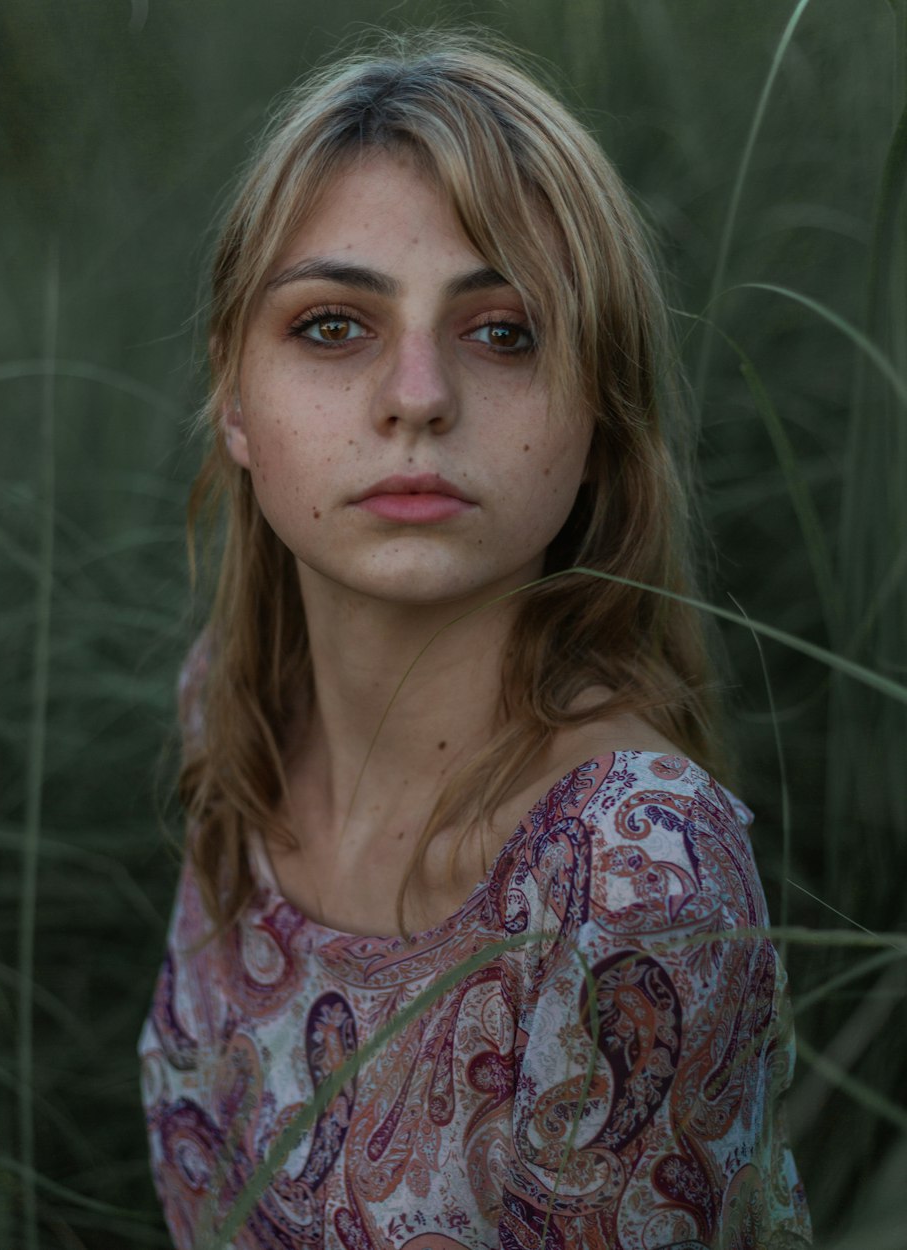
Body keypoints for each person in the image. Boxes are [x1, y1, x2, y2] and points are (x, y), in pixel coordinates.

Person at [138, 32, 812, 1250]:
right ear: (234, 400)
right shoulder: (229, 712)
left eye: (502, 330)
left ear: (600, 415)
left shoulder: (627, 873)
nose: (417, 393)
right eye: (333, 325)